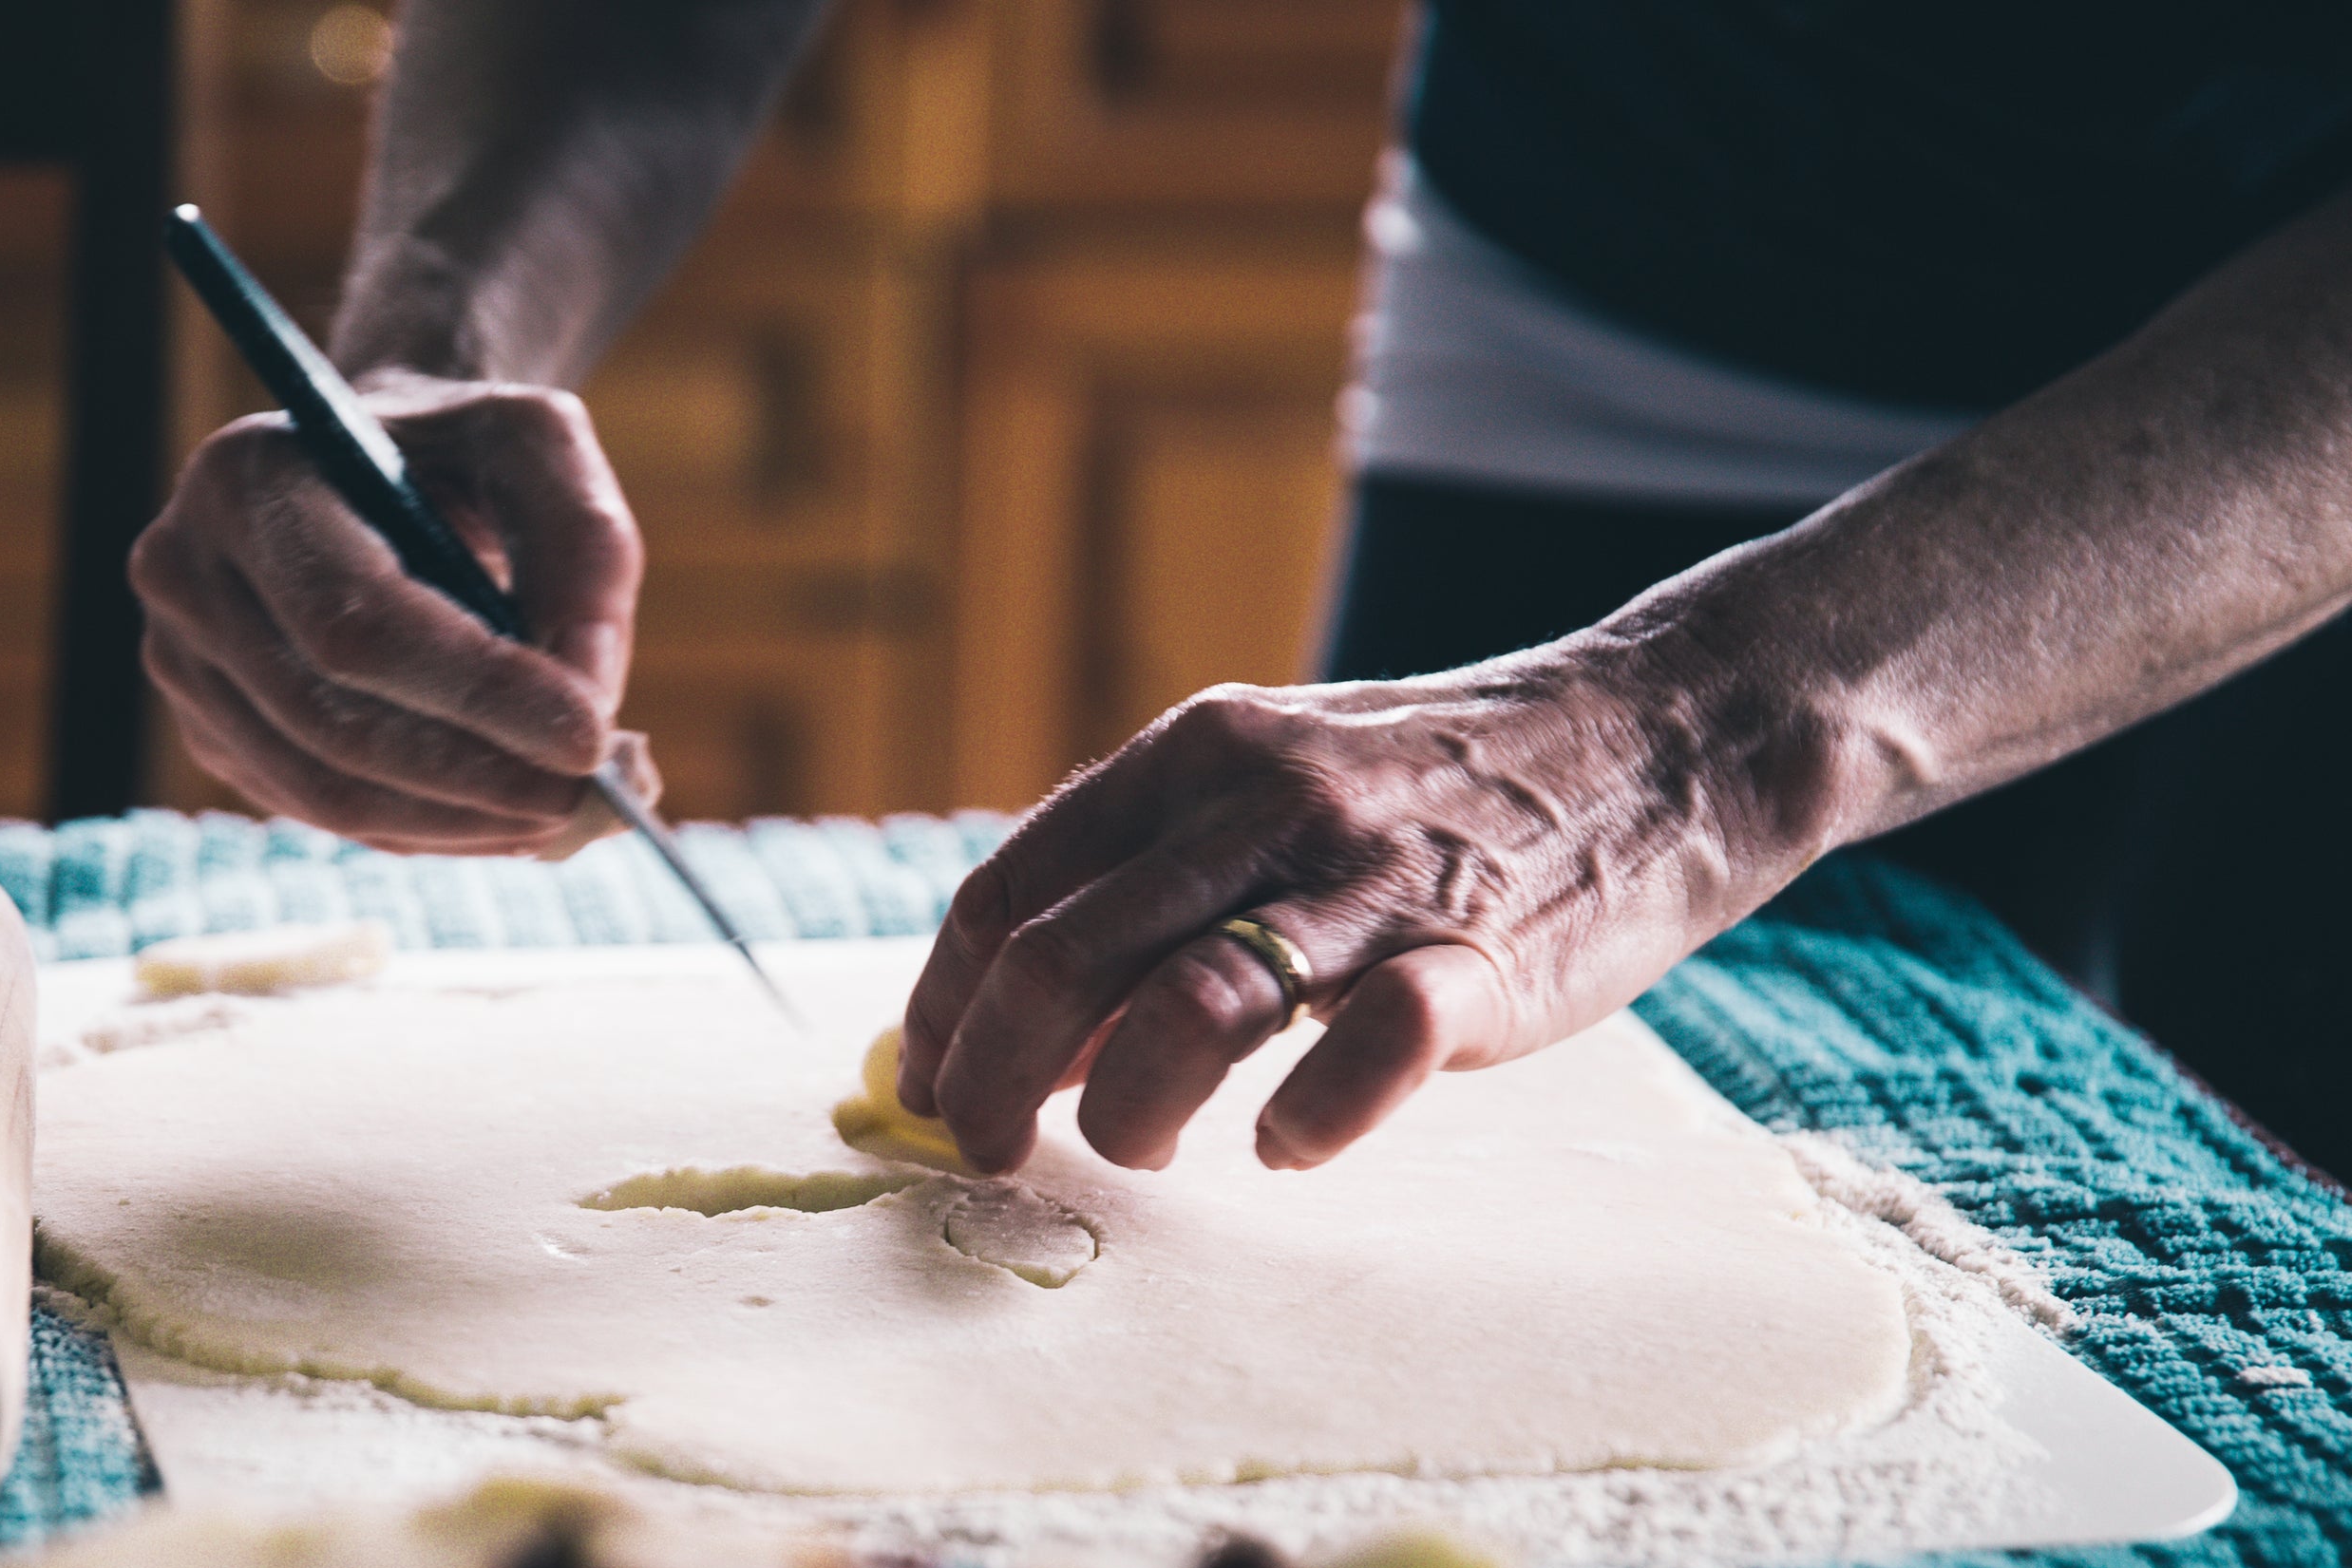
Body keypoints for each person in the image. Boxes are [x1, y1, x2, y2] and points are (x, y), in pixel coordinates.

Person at [128, 2, 2352, 1179]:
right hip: (1604, 271)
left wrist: (1691, 728)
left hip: (2277, 424)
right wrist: (426, 345)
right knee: (1358, 1186)